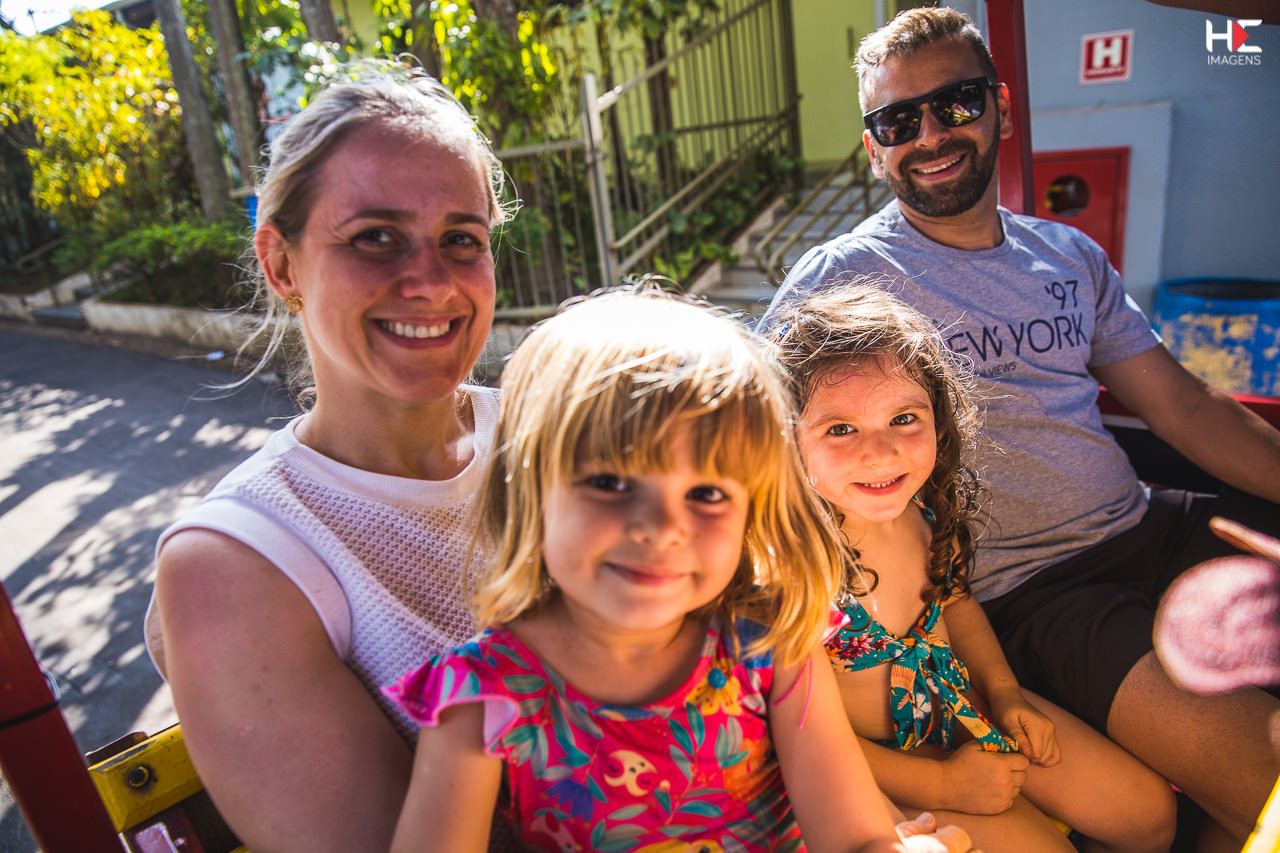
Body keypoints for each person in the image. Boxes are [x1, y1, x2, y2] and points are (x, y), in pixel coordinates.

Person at [758, 8, 1280, 850]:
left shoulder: (1067, 254)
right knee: (1263, 775)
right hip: (1037, 592)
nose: (929, 135)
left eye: (955, 103)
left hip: (1155, 522)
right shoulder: (844, 278)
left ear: (1000, 106)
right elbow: (747, 414)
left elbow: (1184, 406)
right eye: (897, 122)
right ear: (874, 148)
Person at [384, 285, 976, 853]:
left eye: (706, 494)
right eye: (610, 483)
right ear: (528, 493)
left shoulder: (773, 642)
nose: (662, 528)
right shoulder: (482, 697)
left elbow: (851, 837)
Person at [147, 61, 511, 853]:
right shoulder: (237, 559)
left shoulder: (555, 430)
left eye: (462, 239)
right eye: (375, 237)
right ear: (281, 265)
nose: (431, 282)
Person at [768, 283, 1176, 853]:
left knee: (1150, 815)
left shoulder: (927, 515)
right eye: (840, 429)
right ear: (785, 440)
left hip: (964, 708)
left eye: (903, 418)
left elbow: (957, 607)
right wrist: (945, 785)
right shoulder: (791, 567)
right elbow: (806, 741)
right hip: (875, 766)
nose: (880, 452)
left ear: (938, 419)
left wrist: (1006, 695)